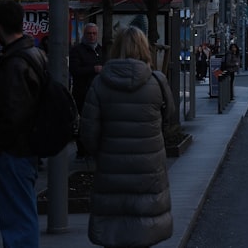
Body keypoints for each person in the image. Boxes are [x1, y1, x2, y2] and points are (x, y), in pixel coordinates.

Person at [80, 26, 176, 248]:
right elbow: (168, 117)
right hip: (148, 169)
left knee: (113, 231)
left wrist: (103, 153)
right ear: (145, 49)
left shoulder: (100, 83)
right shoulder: (157, 82)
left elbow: (88, 133)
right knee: (144, 230)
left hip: (111, 168)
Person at [0, 0, 45, 248]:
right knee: (22, 214)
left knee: (16, 218)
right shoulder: (33, 54)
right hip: (24, 149)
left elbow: (12, 112)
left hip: (13, 151)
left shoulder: (15, 62)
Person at [70, 22, 104, 157]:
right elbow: (74, 70)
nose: (92, 36)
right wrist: (93, 69)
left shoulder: (100, 50)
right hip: (82, 92)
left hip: (98, 92)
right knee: (83, 122)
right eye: (89, 33)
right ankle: (82, 150)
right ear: (84, 35)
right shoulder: (77, 50)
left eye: (94, 33)